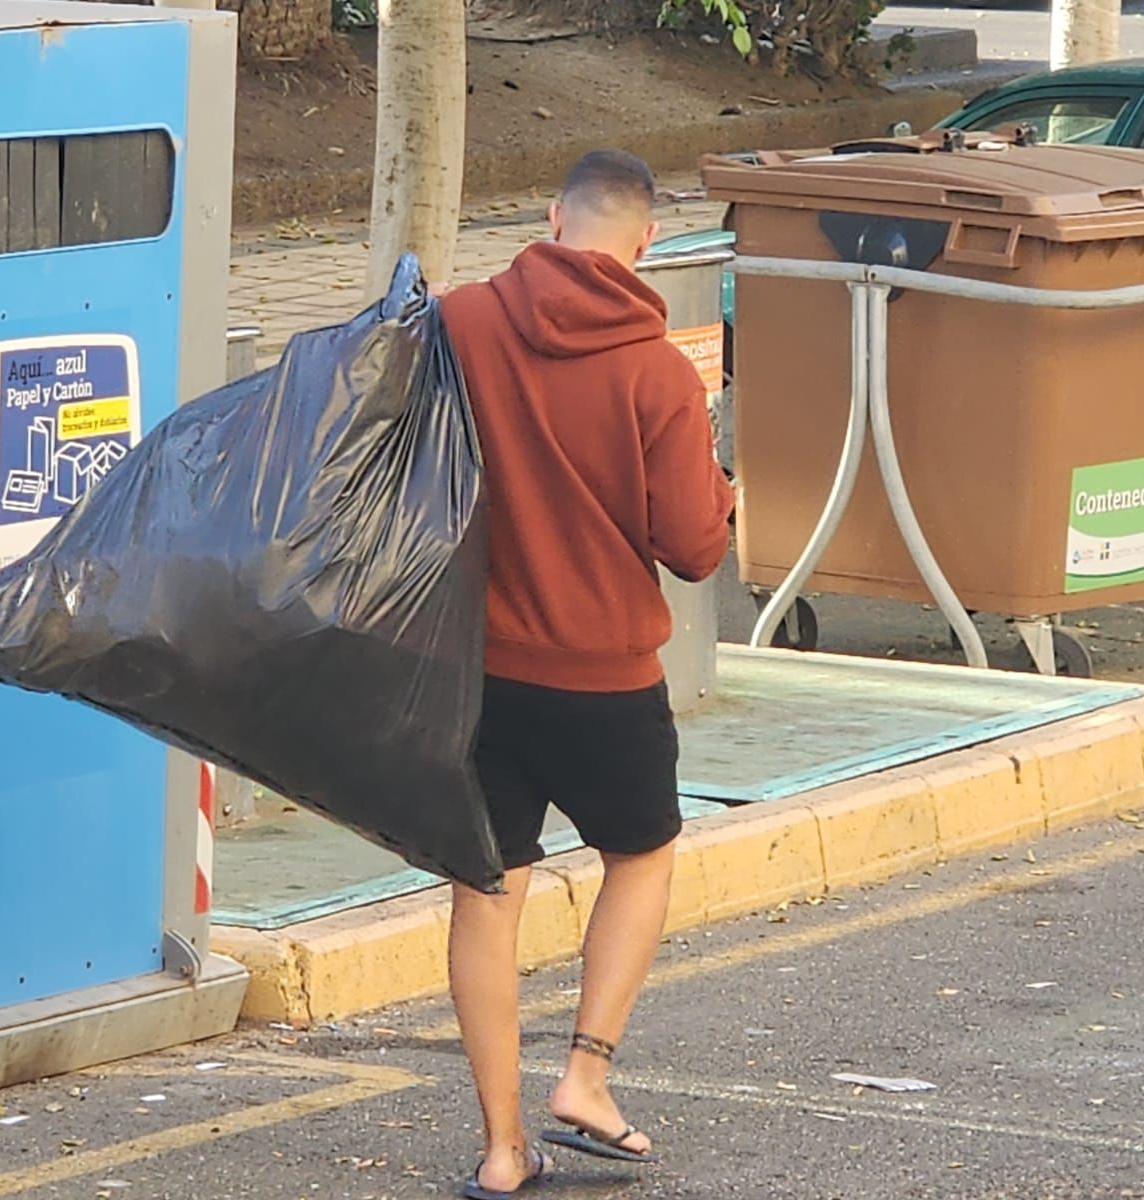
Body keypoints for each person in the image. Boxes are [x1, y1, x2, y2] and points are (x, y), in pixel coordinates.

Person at [440, 150, 735, 1199]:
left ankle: (502, 1147)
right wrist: (724, 487)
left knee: (487, 895)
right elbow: (695, 546)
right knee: (641, 857)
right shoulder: (657, 369)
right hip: (606, 676)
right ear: (646, 240)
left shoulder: (465, 321)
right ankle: (586, 1077)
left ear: (550, 217)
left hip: (484, 673)